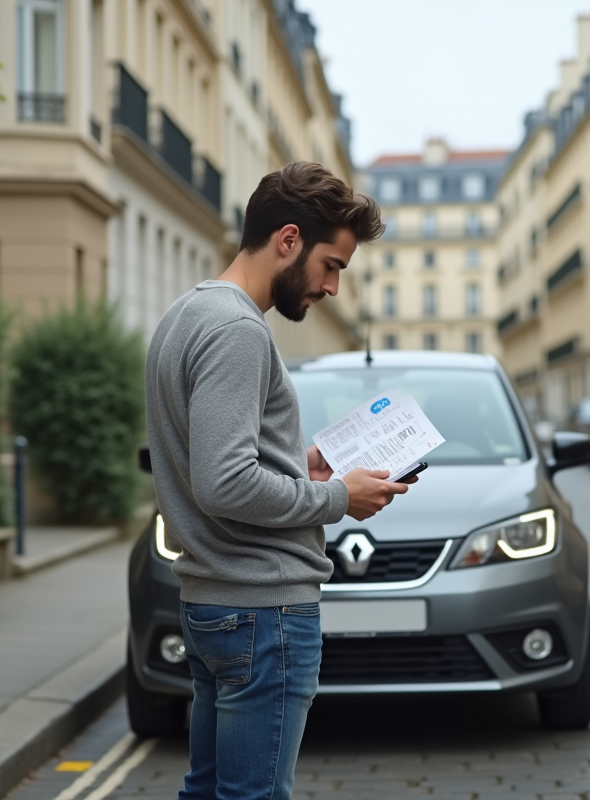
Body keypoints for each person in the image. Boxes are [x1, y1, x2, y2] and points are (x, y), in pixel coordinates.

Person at [144, 162, 416, 800]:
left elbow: (215, 459)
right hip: (262, 610)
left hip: (214, 601)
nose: (333, 287)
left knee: (208, 791)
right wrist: (335, 497)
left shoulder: (187, 314)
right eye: (332, 265)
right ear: (287, 240)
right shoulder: (239, 330)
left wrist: (299, 461)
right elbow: (224, 483)